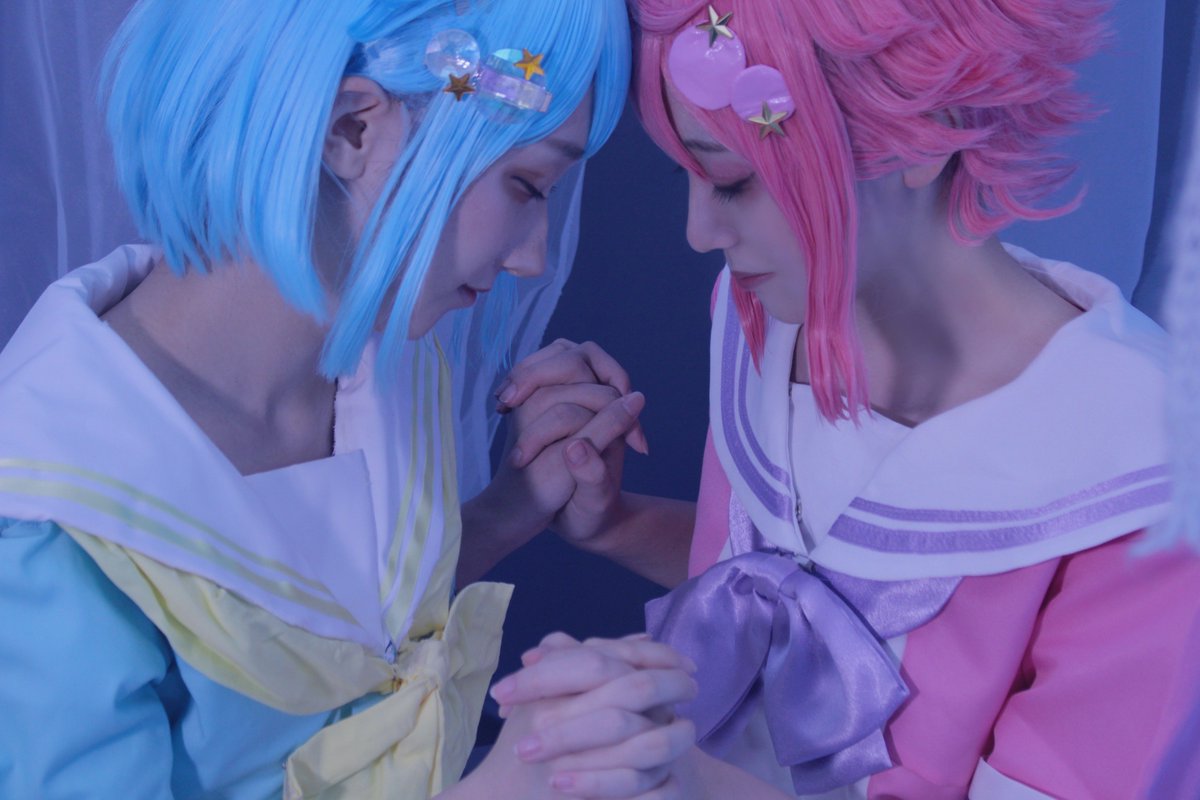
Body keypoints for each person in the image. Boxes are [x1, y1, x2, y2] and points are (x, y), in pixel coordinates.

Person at [491, 1, 1200, 797]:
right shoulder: (766, 314)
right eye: (687, 174)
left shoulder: (1141, 477)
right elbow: (800, 586)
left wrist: (688, 777)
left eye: (733, 181)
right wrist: (618, 525)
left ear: (924, 135)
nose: (698, 232)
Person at [0, 1, 699, 797]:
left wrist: (510, 508)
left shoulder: (389, 361)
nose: (532, 258)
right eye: (527, 184)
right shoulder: (47, 520)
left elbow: (319, 628)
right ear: (352, 130)